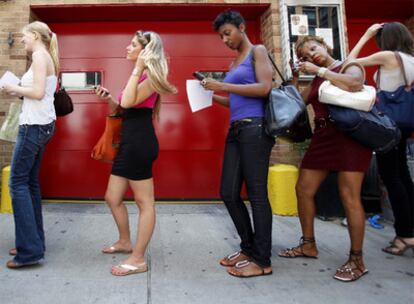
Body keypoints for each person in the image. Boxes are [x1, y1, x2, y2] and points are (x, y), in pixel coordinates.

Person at [278, 36, 373, 282]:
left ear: (325, 46)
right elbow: (298, 103)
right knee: (303, 189)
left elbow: (354, 84)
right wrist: (297, 77)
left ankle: (357, 259)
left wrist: (319, 69)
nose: (311, 55)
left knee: (349, 196)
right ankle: (308, 244)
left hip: (350, 138)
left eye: (313, 48)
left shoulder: (348, 65)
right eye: (305, 56)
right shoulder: (318, 79)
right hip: (323, 137)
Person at [95, 30, 176, 276]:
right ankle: (125, 241)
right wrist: (110, 99)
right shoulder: (141, 77)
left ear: (145, 51)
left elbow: (129, 103)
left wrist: (138, 67)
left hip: (139, 145)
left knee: (144, 203)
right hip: (128, 143)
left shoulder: (150, 76)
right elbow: (125, 108)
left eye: (132, 45)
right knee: (112, 197)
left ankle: (138, 258)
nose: (127, 48)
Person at [201, 10, 274, 278]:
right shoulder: (234, 64)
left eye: (227, 33)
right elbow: (233, 100)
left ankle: (263, 260)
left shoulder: (258, 51)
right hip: (236, 130)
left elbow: (264, 88)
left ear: (242, 27)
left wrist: (222, 85)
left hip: (255, 128)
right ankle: (248, 247)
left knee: (257, 195)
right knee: (228, 192)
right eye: (221, 36)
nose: (225, 39)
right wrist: (210, 95)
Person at [348, 22, 414, 255]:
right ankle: (409, 232)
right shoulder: (410, 59)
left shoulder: (388, 55)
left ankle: (405, 235)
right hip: (405, 124)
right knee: (403, 176)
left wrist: (366, 34)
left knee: (391, 178)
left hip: (389, 125)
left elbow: (350, 62)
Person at [0, 21, 59, 268]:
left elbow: (36, 92)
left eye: (24, 37)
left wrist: (12, 87)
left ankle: (30, 251)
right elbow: (42, 92)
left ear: (34, 35)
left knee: (17, 184)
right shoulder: (48, 55)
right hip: (43, 124)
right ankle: (34, 242)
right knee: (30, 184)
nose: (22, 41)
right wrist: (20, 89)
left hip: (33, 126)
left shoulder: (38, 55)